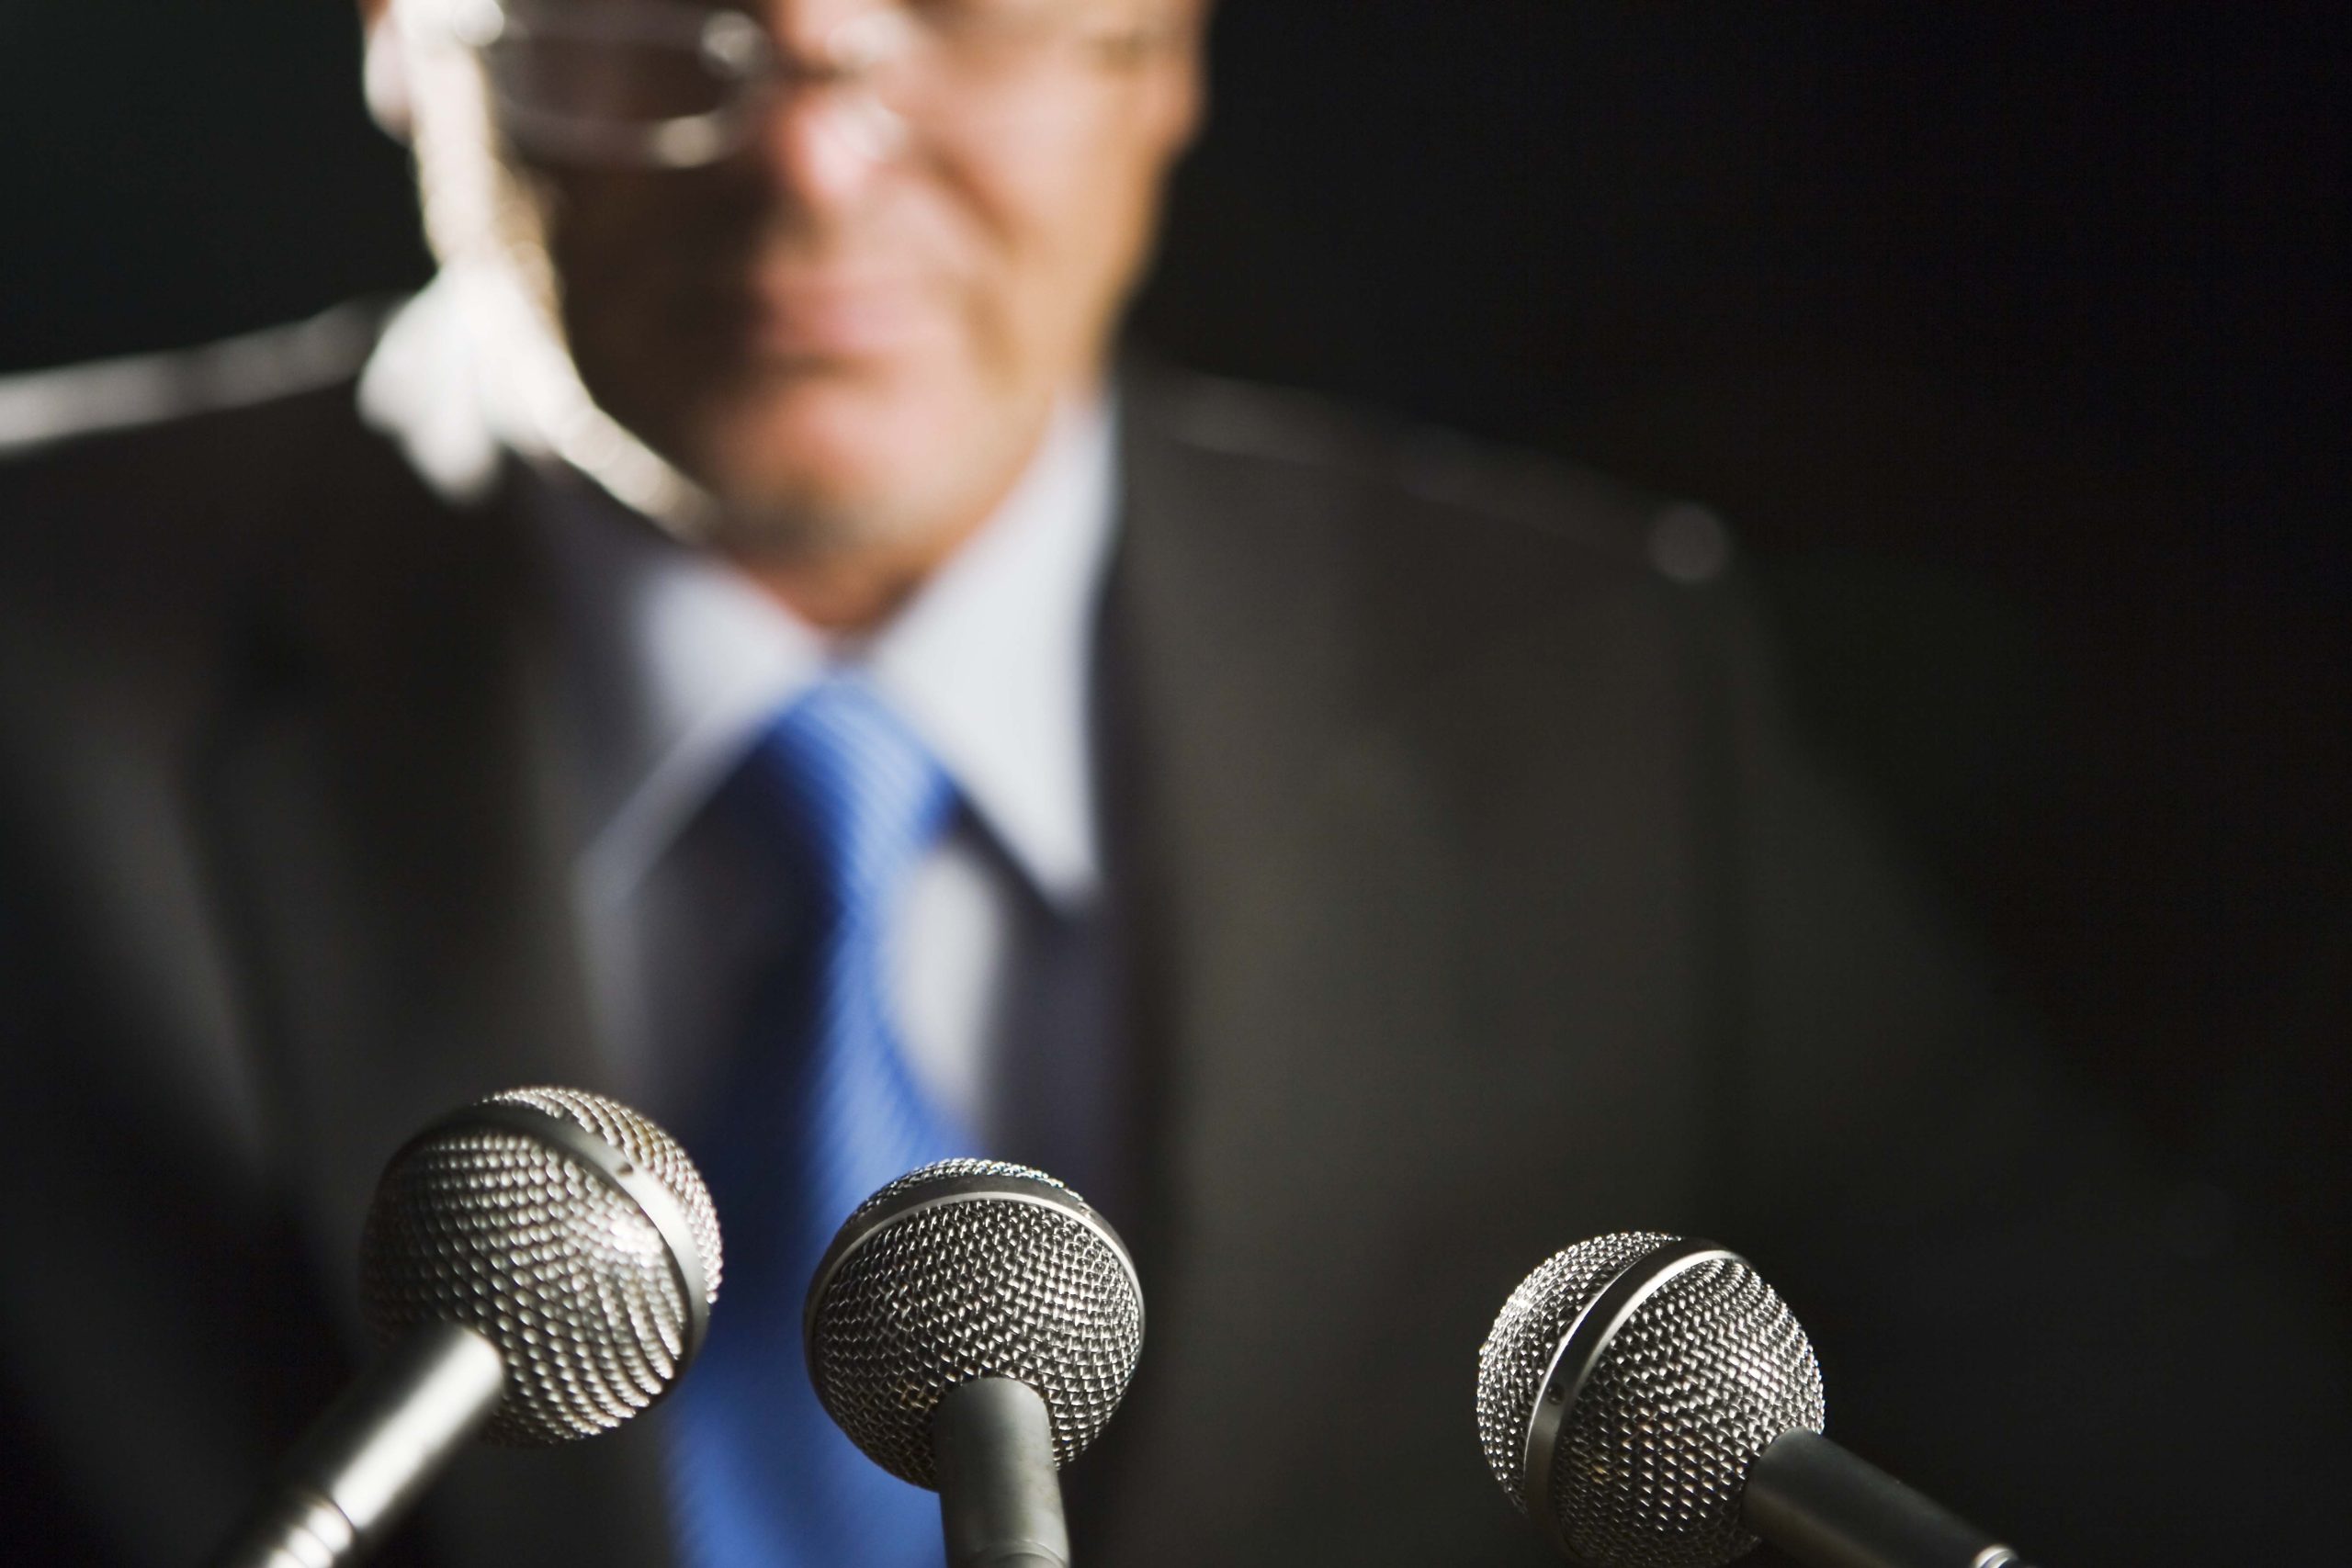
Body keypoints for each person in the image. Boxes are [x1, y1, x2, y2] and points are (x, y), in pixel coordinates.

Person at [0, 2, 2343, 1565]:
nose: (814, 157)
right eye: (647, 3)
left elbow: (2150, 1426)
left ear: (1169, 47)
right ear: (408, 38)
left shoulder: (1585, 679)